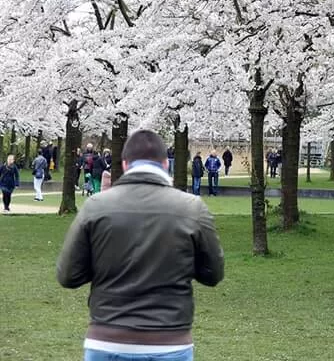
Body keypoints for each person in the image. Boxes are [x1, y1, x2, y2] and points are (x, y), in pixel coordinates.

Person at [56, 129, 224, 361]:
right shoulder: (192, 208)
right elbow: (213, 274)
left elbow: (69, 275)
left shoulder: (96, 206)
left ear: (125, 164)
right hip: (169, 340)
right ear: (166, 164)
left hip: (107, 337)